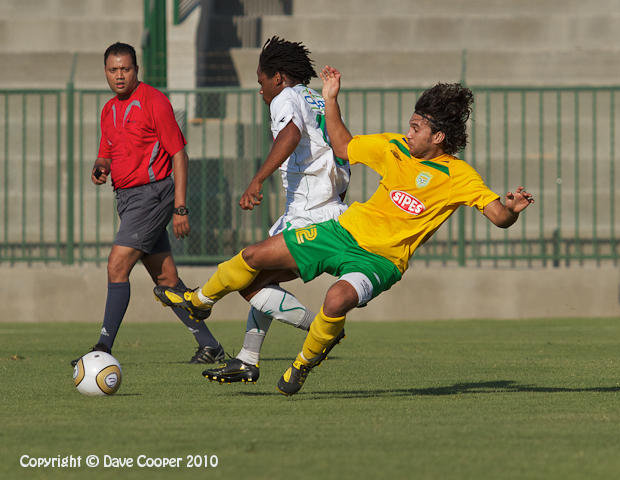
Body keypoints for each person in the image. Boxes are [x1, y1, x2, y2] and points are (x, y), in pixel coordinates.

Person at [155, 65, 534, 396]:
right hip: (342, 232)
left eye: (417, 128)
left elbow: (498, 216)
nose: (409, 132)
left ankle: (301, 365)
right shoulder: (393, 147)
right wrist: (330, 99)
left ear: (438, 138)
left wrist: (512, 209)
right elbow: (344, 145)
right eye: (410, 124)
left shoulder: (460, 176)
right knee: (255, 256)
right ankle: (200, 303)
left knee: (335, 301)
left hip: (382, 260)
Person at [197, 36, 351, 384]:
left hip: (307, 213)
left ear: (278, 77)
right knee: (258, 279)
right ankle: (248, 358)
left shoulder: (285, 98)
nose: (261, 90)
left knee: (249, 280)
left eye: (261, 82)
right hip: (327, 209)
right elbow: (344, 153)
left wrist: (256, 180)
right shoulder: (318, 99)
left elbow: (291, 135)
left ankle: (321, 329)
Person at [71, 42, 224, 366]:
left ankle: (103, 347)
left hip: (152, 194)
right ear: (106, 73)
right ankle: (210, 345)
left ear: (136, 70)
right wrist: (101, 166)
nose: (119, 75)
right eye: (113, 70)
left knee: (117, 264)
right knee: (166, 279)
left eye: (125, 69)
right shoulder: (109, 109)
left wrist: (180, 207)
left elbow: (179, 154)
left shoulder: (154, 101)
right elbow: (107, 149)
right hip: (127, 199)